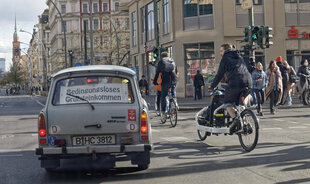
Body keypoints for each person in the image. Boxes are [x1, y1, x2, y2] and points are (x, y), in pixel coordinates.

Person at [209, 43, 252, 131]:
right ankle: (245, 124)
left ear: (225, 50)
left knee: (228, 103)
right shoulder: (239, 56)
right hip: (248, 82)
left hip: (235, 83)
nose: (220, 53)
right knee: (240, 104)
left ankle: (236, 120)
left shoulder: (225, 58)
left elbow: (219, 74)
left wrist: (212, 86)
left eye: (221, 51)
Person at [153, 51, 177, 122]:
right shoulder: (172, 60)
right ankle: (175, 102)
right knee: (172, 91)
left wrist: (155, 81)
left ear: (162, 56)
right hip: (173, 79)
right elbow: (175, 71)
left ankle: (163, 113)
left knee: (163, 96)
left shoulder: (161, 62)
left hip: (166, 80)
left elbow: (157, 73)